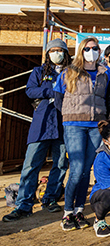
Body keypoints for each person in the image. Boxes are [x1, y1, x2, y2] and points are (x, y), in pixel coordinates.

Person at [2, 39, 71, 222]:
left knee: (60, 164)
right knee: (31, 164)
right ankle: (23, 204)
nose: (57, 53)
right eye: (53, 50)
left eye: (60, 50)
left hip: (63, 125)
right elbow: (30, 91)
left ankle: (50, 199)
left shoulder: (71, 73)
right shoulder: (39, 72)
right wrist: (52, 92)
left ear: (66, 53)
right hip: (41, 125)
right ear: (48, 54)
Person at [53, 36, 109, 231]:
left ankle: (78, 209)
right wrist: (69, 116)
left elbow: (105, 98)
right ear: (81, 51)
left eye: (94, 48)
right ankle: (67, 212)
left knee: (86, 169)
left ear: (99, 51)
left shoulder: (104, 74)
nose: (91, 52)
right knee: (76, 170)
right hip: (75, 125)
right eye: (87, 48)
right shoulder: (69, 72)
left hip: (96, 126)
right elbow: (59, 98)